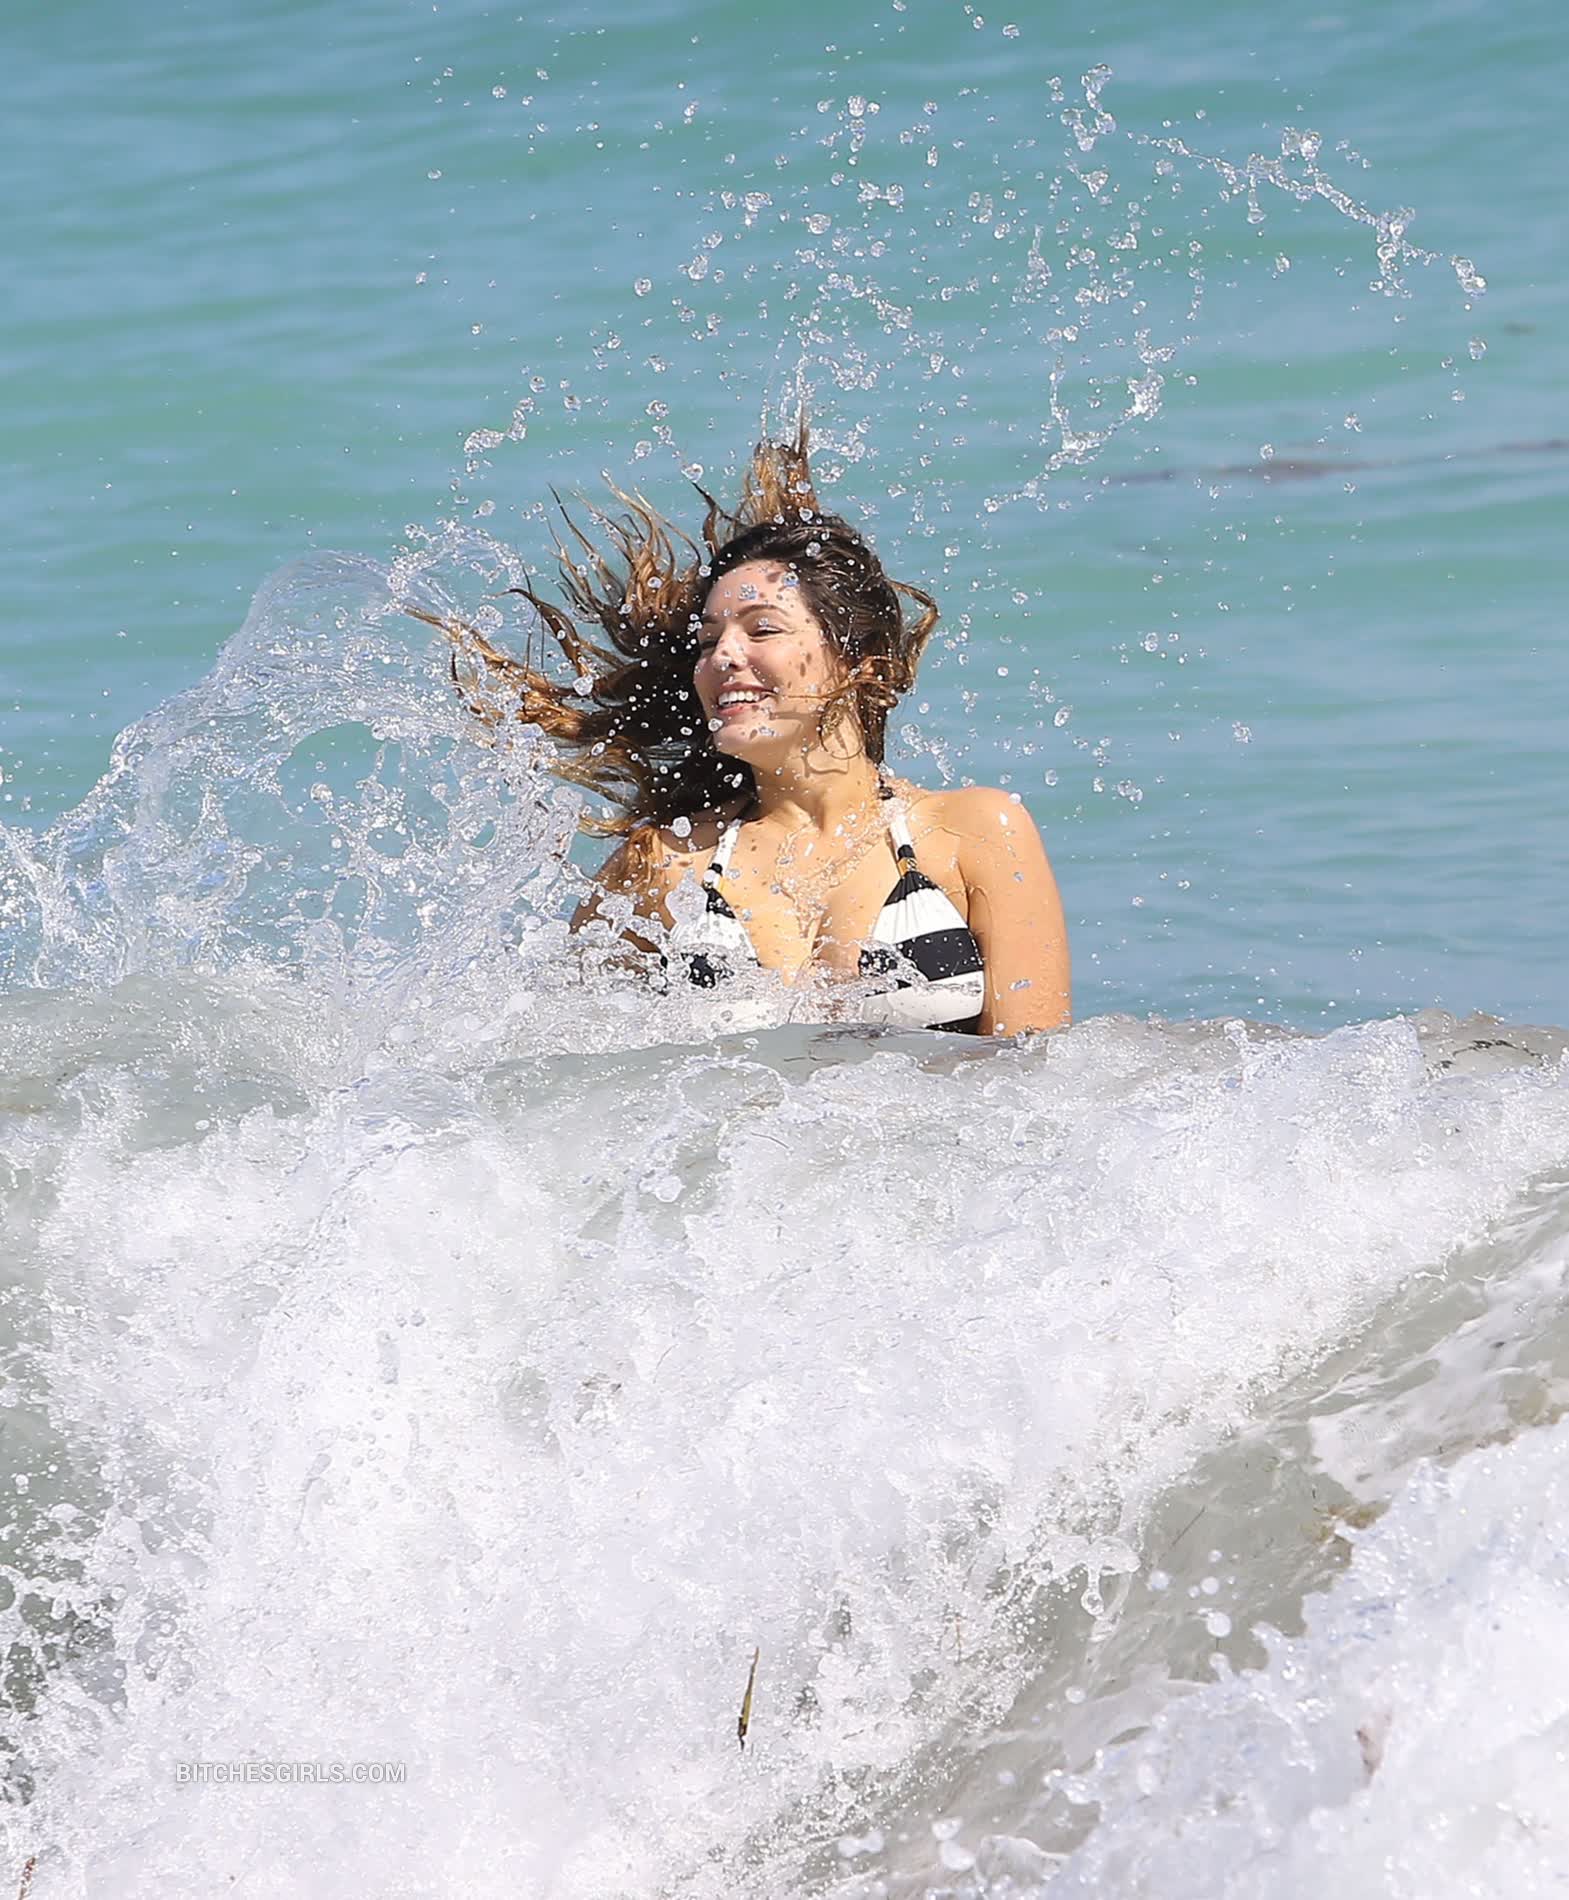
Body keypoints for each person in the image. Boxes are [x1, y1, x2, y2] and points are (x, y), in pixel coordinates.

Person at [442, 424, 1070, 1037]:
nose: (722, 657)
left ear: (862, 665)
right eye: (709, 641)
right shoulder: (669, 863)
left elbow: (1037, 1074)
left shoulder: (972, 832)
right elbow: (550, 1058)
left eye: (762, 629)